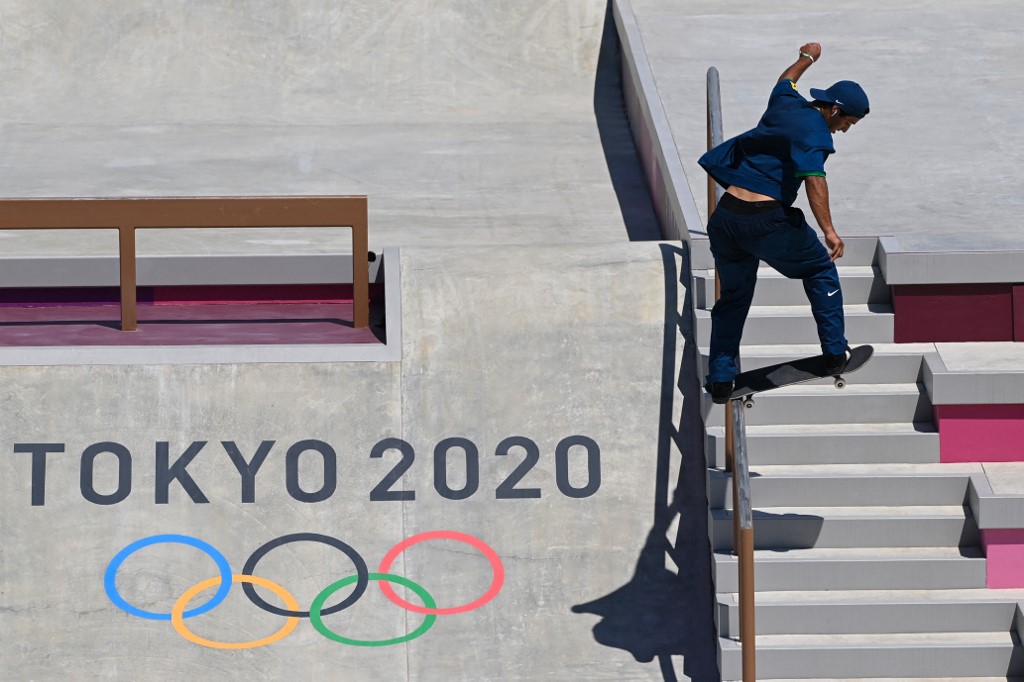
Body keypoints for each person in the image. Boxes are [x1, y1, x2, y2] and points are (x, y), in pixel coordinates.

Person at [698, 42, 869, 404]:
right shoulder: (815, 134)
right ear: (835, 110)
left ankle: (721, 378)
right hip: (766, 222)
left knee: (733, 297)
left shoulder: (786, 102)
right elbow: (814, 179)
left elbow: (786, 79)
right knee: (821, 269)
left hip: (726, 218)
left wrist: (807, 58)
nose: (844, 130)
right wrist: (829, 231)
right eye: (846, 122)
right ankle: (835, 352)